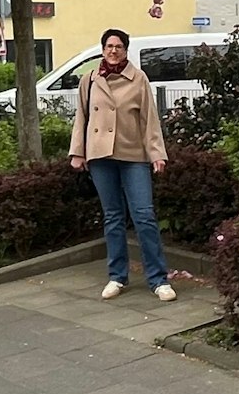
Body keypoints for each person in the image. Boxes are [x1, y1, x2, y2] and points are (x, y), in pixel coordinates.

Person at [68, 28, 176, 302]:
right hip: (100, 156)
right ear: (102, 49)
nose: (113, 51)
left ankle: (158, 279)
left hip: (133, 155)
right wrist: (77, 152)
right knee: (113, 217)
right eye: (108, 46)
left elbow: (150, 120)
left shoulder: (138, 79)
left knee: (144, 216)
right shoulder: (90, 79)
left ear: (126, 50)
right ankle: (117, 276)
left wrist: (156, 154)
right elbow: (80, 117)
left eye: (118, 46)